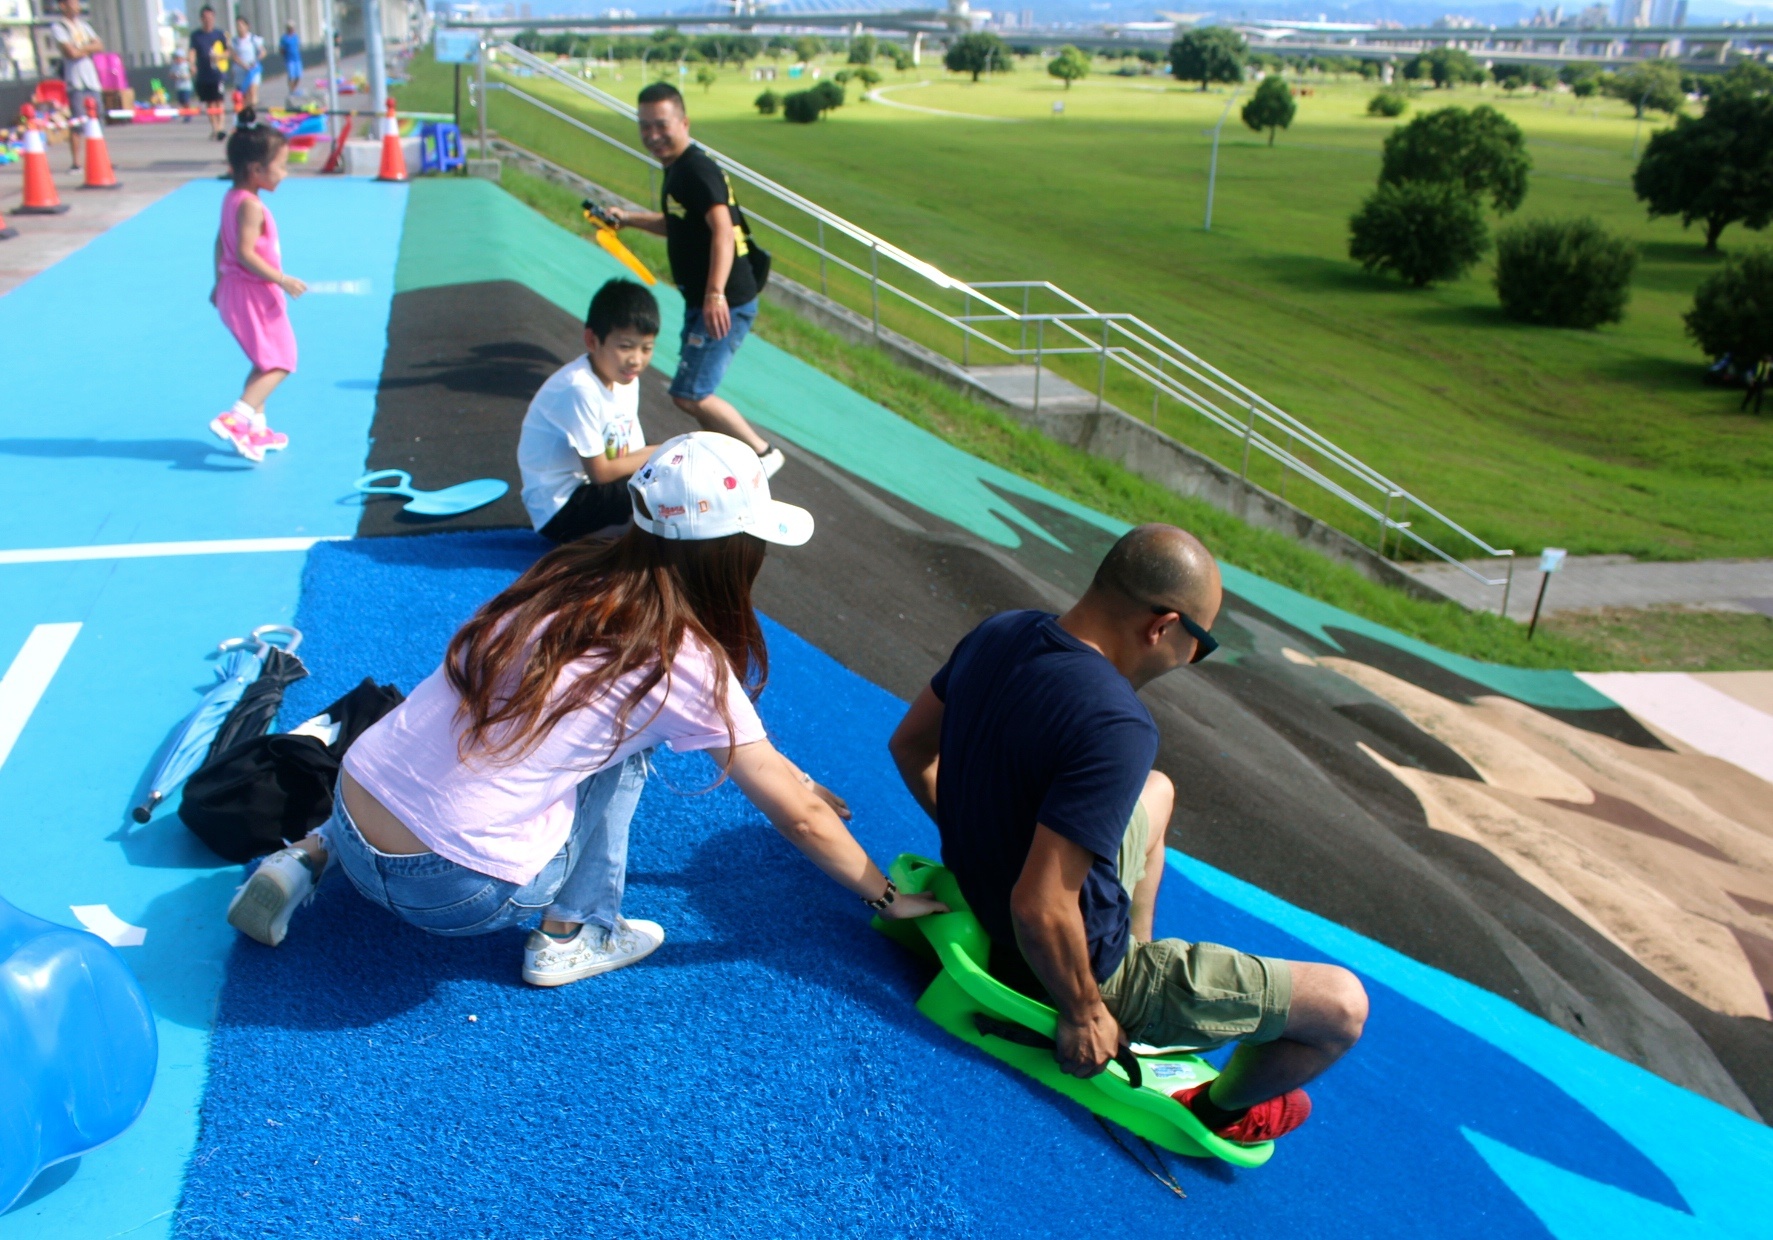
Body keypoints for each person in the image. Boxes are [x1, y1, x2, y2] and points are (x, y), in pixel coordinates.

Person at [225, 432, 946, 986]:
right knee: (628, 746)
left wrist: (790, 773)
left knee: (477, 715)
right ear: (733, 549)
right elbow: (797, 816)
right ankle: (571, 934)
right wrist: (887, 898)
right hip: (449, 892)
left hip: (347, 811)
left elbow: (782, 783)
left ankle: (304, 856)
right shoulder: (681, 657)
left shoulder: (559, 577)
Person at [887, 524, 1368, 1146]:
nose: (1192, 660)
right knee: (1344, 1006)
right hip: (1072, 961)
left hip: (994, 892)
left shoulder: (1002, 631)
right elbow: (1039, 905)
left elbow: (910, 746)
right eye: (1202, 643)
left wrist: (980, 832)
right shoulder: (1117, 722)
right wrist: (1085, 1010)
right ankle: (1214, 1102)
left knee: (1158, 792)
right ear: (1163, 626)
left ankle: (1142, 956)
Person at [603, 83, 785, 480]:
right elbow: (680, 225)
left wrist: (715, 294)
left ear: (684, 122)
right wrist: (628, 218)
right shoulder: (679, 169)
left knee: (690, 393)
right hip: (705, 299)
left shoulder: (695, 170)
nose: (652, 136)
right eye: (645, 127)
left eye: (661, 125)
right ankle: (736, 459)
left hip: (723, 301)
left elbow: (722, 229)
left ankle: (762, 455)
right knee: (690, 392)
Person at [520, 279, 665, 545]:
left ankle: (613, 535)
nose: (636, 359)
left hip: (589, 491)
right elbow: (601, 472)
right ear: (592, 340)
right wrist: (663, 453)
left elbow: (632, 453)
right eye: (625, 346)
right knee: (655, 484)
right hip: (557, 509)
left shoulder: (627, 380)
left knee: (660, 477)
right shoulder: (579, 387)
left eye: (646, 349)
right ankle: (596, 538)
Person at [208, 111, 303, 463]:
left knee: (263, 360)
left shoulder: (231, 197)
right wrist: (283, 279)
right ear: (256, 170)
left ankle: (256, 428)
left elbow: (221, 242)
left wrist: (219, 281)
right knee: (282, 360)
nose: (285, 173)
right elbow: (246, 253)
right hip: (253, 293)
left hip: (235, 290)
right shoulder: (251, 207)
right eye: (282, 166)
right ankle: (236, 418)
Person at [49, 0, 102, 172]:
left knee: (96, 121)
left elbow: (99, 45)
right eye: (73, 3)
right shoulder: (59, 27)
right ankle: (76, 162)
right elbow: (71, 52)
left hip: (91, 79)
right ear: (63, 5)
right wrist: (87, 48)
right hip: (76, 81)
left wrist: (81, 48)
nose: (77, 6)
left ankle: (100, 159)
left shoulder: (84, 25)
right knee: (77, 123)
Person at [188, 6, 227, 141]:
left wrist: (220, 56)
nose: (208, 20)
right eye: (205, 18)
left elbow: (228, 52)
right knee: (210, 104)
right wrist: (191, 64)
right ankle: (215, 128)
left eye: (211, 17)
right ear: (201, 19)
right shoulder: (196, 35)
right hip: (204, 75)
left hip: (218, 74)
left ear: (214, 18)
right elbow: (192, 52)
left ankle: (221, 128)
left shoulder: (219, 34)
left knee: (219, 101)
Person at [231, 15, 265, 109]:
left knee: (252, 92)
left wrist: (256, 60)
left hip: (252, 70)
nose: (239, 27)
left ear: (247, 26)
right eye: (238, 25)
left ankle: (252, 109)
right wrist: (243, 65)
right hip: (240, 71)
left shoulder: (253, 39)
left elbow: (263, 52)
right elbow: (234, 56)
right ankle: (246, 112)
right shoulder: (234, 41)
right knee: (243, 96)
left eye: (242, 25)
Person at [279, 21, 303, 104]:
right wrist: (285, 57)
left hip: (297, 59)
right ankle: (292, 90)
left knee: (298, 76)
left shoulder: (295, 37)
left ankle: (294, 89)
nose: (292, 29)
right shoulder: (284, 38)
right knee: (291, 76)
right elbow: (281, 49)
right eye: (290, 28)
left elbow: (298, 46)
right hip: (290, 60)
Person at [170, 51, 194, 117]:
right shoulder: (174, 65)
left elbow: (194, 71)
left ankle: (188, 114)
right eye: (176, 58)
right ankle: (186, 113)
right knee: (181, 101)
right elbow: (171, 75)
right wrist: (175, 76)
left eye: (179, 58)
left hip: (186, 86)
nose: (178, 59)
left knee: (186, 100)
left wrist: (188, 76)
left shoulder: (186, 64)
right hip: (179, 86)